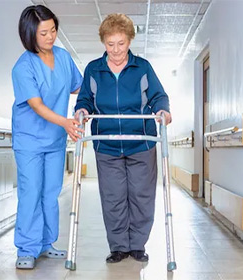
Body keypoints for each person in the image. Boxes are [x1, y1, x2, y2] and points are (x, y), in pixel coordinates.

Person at [75, 13, 171, 264]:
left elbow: (158, 96)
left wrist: (163, 110)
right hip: (107, 143)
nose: (116, 50)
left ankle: (137, 245)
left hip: (141, 142)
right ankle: (118, 246)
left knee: (141, 195)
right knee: (113, 196)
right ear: (103, 43)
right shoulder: (94, 69)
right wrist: (82, 111)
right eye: (110, 44)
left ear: (130, 40)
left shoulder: (143, 67)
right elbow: (85, 99)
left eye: (121, 43)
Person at [11, 5, 83, 270]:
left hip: (54, 140)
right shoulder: (23, 66)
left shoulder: (63, 58)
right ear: (30, 34)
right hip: (29, 139)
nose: (50, 37)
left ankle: (45, 243)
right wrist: (66, 122)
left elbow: (78, 85)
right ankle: (27, 248)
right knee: (31, 192)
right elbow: (37, 105)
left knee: (51, 192)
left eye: (53, 30)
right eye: (44, 33)